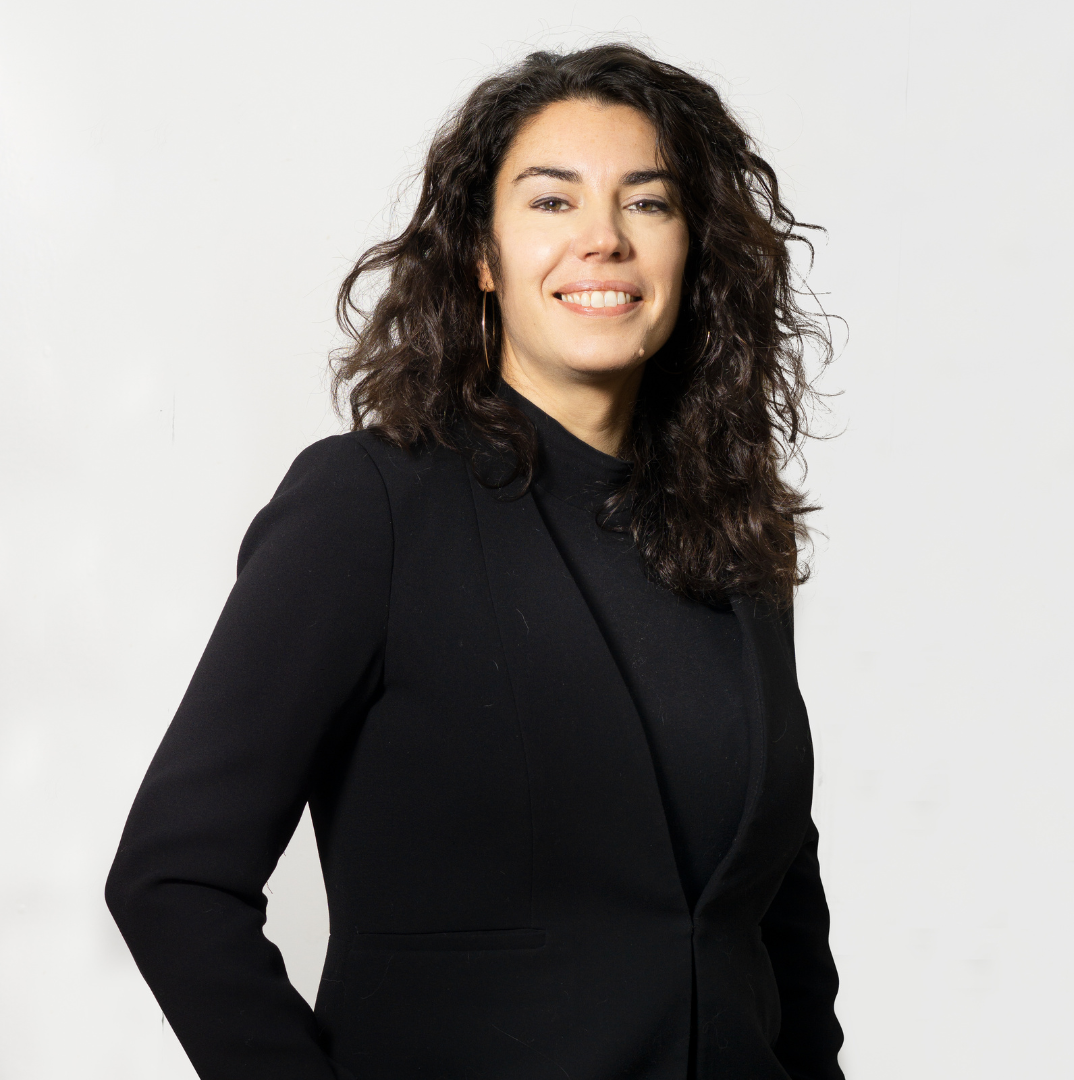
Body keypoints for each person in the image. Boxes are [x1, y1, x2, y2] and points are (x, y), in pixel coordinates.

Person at [106, 43, 844, 1080]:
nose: (603, 238)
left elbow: (779, 906)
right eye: (552, 202)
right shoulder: (370, 508)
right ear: (482, 257)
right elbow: (173, 879)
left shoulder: (734, 535)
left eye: (648, 203)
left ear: (693, 250)